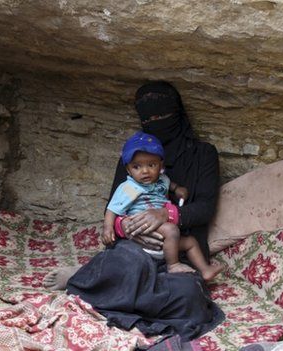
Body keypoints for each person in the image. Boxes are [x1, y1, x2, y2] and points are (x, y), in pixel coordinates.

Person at [43, 81, 223, 341]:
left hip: (178, 252)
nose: (157, 122)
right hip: (136, 245)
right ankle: (83, 277)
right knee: (127, 261)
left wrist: (167, 216)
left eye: (163, 115)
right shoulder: (131, 157)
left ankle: (97, 280)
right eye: (149, 118)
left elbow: (205, 208)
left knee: (189, 296)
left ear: (179, 113)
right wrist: (124, 227)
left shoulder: (203, 154)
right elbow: (114, 205)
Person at [103, 130, 224, 280]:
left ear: (161, 165)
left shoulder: (162, 179)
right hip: (142, 232)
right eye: (137, 167)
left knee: (191, 242)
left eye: (151, 165)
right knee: (172, 230)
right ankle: (173, 265)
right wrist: (108, 228)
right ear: (128, 169)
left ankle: (205, 270)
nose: (145, 171)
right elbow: (112, 208)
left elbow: (169, 184)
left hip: (165, 241)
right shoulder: (129, 187)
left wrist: (177, 189)